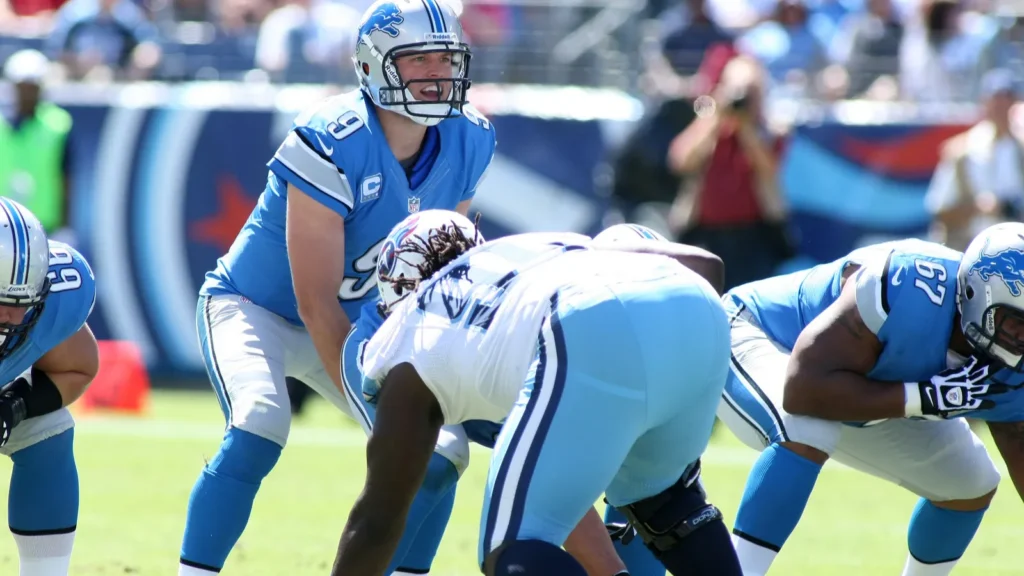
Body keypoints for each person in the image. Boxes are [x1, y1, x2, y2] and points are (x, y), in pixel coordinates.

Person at [177, 0, 496, 573]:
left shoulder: (470, 136)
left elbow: (438, 275)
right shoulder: (332, 137)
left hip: (358, 320)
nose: (438, 74)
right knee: (259, 422)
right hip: (258, 309)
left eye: (446, 60)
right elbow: (315, 302)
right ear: (374, 65)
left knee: (441, 451)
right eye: (419, 59)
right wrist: (374, 400)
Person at [333, 211, 742, 576]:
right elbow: (709, 266)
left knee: (512, 550)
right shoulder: (532, 249)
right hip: (699, 309)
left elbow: (376, 521)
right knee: (668, 504)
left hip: (587, 320)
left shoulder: (411, 329)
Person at [717, 223, 1024, 576]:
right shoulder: (908, 283)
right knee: (808, 428)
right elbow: (803, 389)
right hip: (761, 335)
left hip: (863, 388)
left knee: (970, 481)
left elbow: (1017, 436)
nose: (1022, 337)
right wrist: (921, 397)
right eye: (1015, 320)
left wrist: (921, 398)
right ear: (973, 294)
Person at [0, 198, 98, 575]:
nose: (13, 318)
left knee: (47, 429)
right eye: (1, 302)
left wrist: (13, 406)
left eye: (22, 303)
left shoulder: (58, 300)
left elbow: (78, 368)